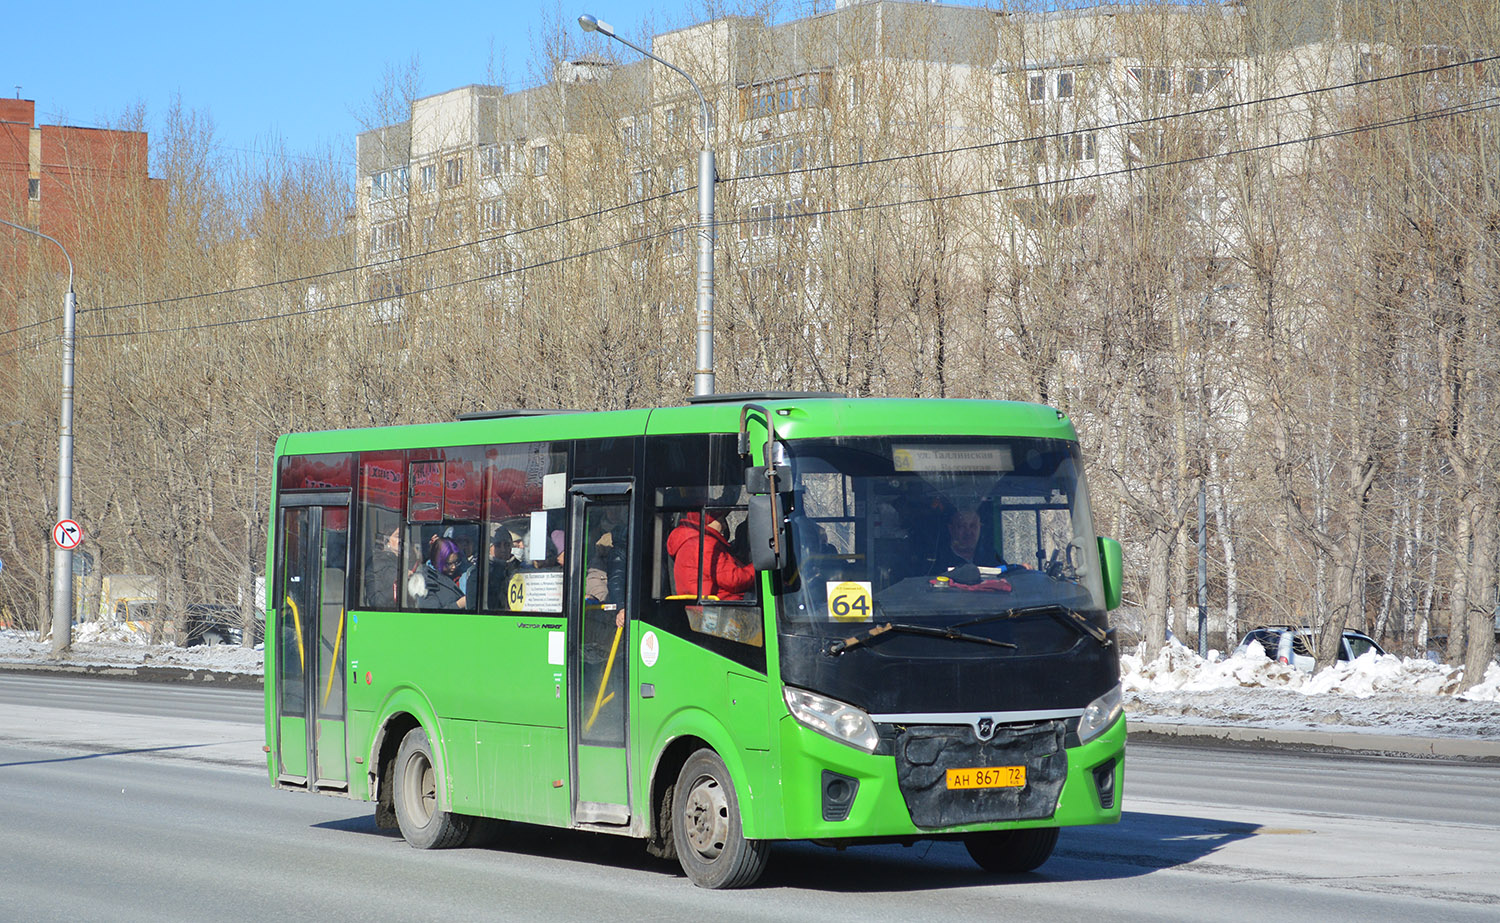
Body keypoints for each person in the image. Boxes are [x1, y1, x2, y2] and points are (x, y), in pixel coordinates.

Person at [666, 509, 755, 601]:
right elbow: (734, 580)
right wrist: (757, 568)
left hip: (707, 606)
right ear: (707, 521)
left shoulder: (690, 542)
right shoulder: (704, 545)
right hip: (723, 605)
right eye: (720, 521)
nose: (724, 526)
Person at [413, 537, 468, 610]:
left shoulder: (465, 571)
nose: (453, 567)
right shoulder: (425, 579)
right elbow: (431, 615)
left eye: (456, 562)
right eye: (448, 564)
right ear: (437, 561)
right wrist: (458, 605)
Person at [362, 524, 400, 608]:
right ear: (387, 540)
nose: (401, 540)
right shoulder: (376, 563)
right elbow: (376, 601)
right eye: (397, 536)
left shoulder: (403, 562)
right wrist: (398, 585)